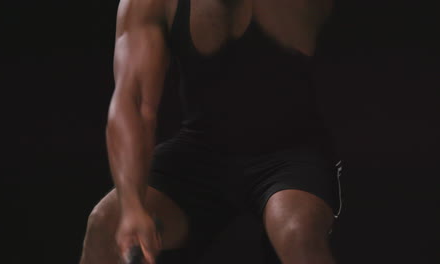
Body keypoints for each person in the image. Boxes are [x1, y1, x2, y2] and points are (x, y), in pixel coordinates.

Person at [79, 0, 343, 263]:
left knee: (298, 237)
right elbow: (133, 104)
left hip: (290, 154)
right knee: (105, 223)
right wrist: (132, 206)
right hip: (199, 153)